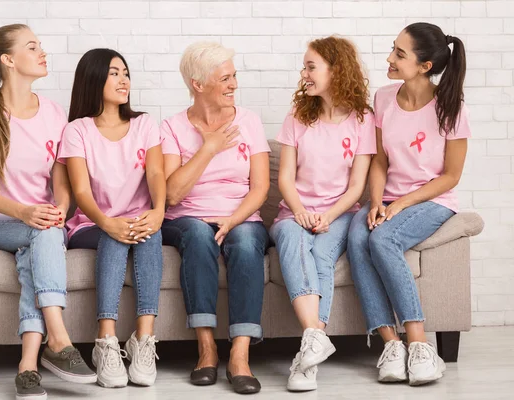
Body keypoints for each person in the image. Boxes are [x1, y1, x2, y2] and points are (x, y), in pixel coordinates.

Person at [0, 24, 96, 400]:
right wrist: (25, 212)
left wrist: (60, 210)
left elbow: (60, 179)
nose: (42, 52)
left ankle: (28, 366)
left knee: (39, 246)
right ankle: (59, 338)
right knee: (42, 233)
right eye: (33, 47)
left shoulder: (51, 112)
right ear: (8, 60)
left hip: (43, 223)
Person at [347, 22, 471, 386]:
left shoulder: (451, 108)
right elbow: (381, 160)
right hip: (386, 196)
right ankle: (392, 346)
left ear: (424, 66)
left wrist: (400, 204)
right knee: (358, 238)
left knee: (383, 240)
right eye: (393, 49)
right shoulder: (384, 98)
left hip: (432, 200)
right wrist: (374, 202)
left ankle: (419, 345)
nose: (389, 58)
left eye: (399, 54)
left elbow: (450, 176)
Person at [160, 42, 270, 395]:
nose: (233, 84)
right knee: (196, 233)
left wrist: (234, 220)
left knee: (249, 243)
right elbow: (172, 194)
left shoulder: (249, 121)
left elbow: (260, 188)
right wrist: (208, 147)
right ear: (198, 84)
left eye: (234, 76)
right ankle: (206, 348)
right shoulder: (172, 127)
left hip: (239, 214)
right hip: (187, 216)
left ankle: (239, 355)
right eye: (225, 78)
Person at [269, 36, 376, 392]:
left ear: (336, 70)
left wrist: (328, 215)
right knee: (290, 239)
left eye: (311, 66)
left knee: (322, 255)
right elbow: (285, 178)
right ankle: (315, 337)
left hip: (340, 212)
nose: (304, 73)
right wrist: (299, 212)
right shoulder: (298, 116)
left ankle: (307, 359)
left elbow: (357, 186)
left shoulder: (363, 119)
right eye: (305, 66)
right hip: (294, 210)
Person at [61, 48, 165, 388]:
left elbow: (155, 175)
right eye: (114, 73)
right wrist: (108, 223)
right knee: (114, 237)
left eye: (125, 72)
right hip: (92, 225)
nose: (124, 80)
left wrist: (158, 211)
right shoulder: (77, 130)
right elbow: (81, 192)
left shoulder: (144, 123)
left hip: (137, 221)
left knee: (150, 233)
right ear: (93, 79)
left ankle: (143, 340)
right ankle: (105, 341)